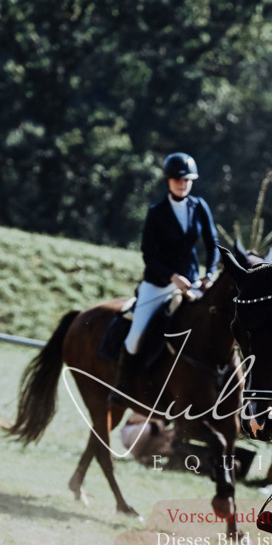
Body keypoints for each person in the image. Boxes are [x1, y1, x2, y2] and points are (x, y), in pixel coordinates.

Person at [109, 152, 221, 405]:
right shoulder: (156, 212)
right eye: (178, 179)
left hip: (192, 281)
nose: (183, 184)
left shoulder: (199, 206)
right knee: (135, 336)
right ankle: (123, 385)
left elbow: (212, 243)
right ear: (168, 181)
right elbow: (148, 254)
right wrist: (172, 277)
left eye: (187, 180)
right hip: (158, 283)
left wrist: (209, 274)